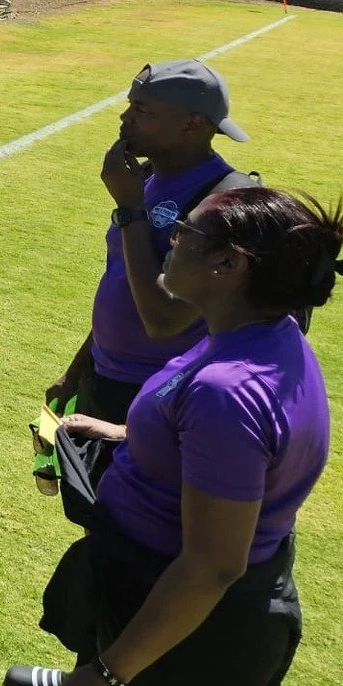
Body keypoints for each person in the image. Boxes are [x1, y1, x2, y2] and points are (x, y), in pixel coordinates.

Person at [10, 186, 343, 686]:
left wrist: (112, 673)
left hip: (188, 627)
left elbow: (211, 565)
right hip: (171, 608)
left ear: (229, 263)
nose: (171, 240)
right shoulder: (264, 336)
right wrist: (122, 434)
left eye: (187, 231)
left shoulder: (229, 392)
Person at [50, 61, 255, 425]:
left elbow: (163, 318)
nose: (124, 117)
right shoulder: (143, 177)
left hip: (161, 396)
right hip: (103, 379)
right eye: (129, 105)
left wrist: (130, 210)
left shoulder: (225, 201)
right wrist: (77, 371)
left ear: (192, 124)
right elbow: (125, 280)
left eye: (141, 110)